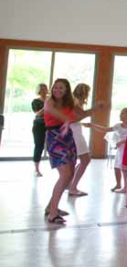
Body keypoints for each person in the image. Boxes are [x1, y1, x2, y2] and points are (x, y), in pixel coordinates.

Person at [42, 79, 104, 225]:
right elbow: (53, 113)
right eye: (55, 88)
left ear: (67, 90)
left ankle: (51, 207)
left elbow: (80, 115)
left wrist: (96, 108)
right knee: (65, 175)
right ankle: (52, 213)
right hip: (55, 137)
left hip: (67, 136)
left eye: (61, 88)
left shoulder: (69, 103)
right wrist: (67, 120)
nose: (57, 90)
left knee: (69, 174)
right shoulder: (49, 101)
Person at [68, 84, 113, 197]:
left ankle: (70, 184)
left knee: (81, 160)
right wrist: (96, 108)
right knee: (85, 160)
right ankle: (72, 187)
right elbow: (76, 116)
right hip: (75, 132)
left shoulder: (74, 101)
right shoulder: (75, 101)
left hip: (75, 130)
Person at [111, 108, 127, 193]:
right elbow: (106, 129)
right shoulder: (118, 125)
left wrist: (122, 141)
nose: (120, 115)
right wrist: (92, 126)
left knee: (124, 168)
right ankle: (119, 184)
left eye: (122, 113)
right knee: (117, 167)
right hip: (120, 149)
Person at [32, 83, 49, 177]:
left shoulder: (51, 100)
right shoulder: (35, 101)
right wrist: (45, 106)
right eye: (41, 89)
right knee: (39, 146)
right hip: (39, 125)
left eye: (45, 89)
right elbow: (38, 113)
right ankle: (36, 169)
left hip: (51, 125)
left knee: (53, 146)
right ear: (38, 91)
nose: (43, 91)